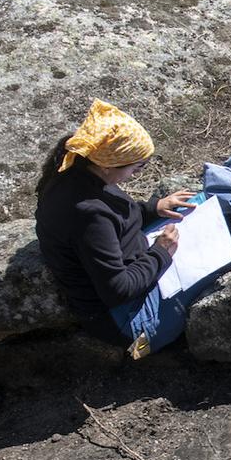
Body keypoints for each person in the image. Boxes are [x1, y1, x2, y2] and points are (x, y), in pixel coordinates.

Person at [34, 99, 198, 359]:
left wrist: (153, 209)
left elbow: (118, 218)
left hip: (135, 267)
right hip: (128, 320)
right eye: (137, 166)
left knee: (200, 205)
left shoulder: (78, 170)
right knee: (225, 261)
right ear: (107, 165)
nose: (137, 173)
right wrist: (161, 253)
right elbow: (118, 290)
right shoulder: (88, 215)